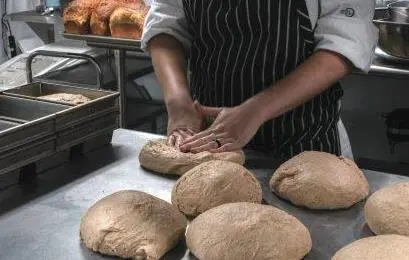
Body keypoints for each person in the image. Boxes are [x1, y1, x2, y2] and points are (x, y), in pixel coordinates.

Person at [141, 0, 377, 160]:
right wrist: (178, 103)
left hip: (304, 141)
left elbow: (343, 45)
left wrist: (257, 109)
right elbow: (166, 25)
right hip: (208, 142)